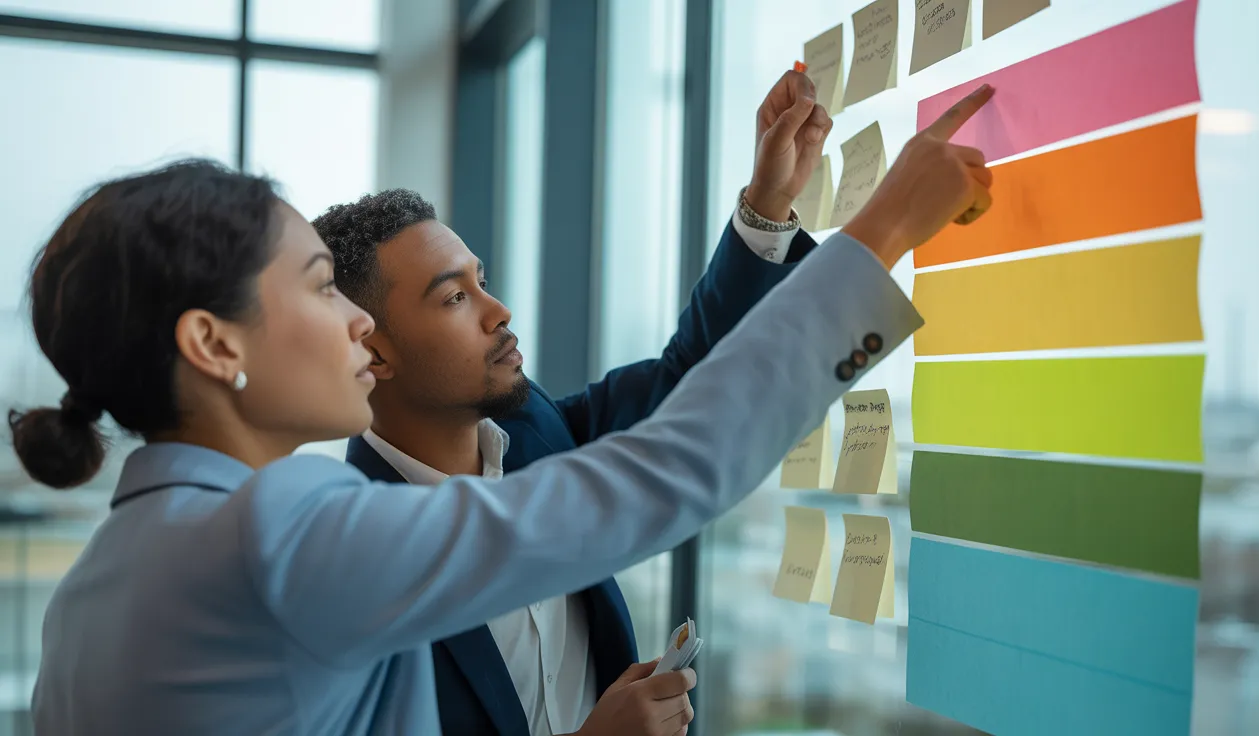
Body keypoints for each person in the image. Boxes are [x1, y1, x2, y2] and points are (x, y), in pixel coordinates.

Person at [14, 83, 994, 735]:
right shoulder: (278, 534)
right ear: (214, 344)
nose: (354, 327)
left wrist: (772, 218)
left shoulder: (92, 593)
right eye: (321, 289)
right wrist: (881, 230)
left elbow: (683, 381)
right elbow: (671, 468)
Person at [311, 69, 833, 736]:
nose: (499, 312)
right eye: (454, 298)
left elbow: (688, 377)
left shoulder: (537, 429)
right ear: (373, 353)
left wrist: (768, 202)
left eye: (484, 282)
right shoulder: (340, 561)